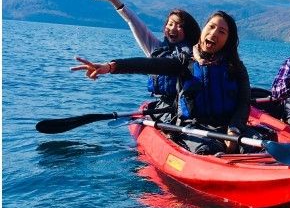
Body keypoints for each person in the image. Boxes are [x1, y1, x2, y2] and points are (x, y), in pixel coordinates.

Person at [71, 11, 253, 155]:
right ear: (203, 29)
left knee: (255, 145)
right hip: (195, 127)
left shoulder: (236, 67)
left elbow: (244, 102)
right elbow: (149, 64)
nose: (214, 33)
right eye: (211, 27)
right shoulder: (184, 61)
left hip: (227, 125)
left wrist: (234, 130)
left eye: (221, 31)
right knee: (208, 150)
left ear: (228, 40)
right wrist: (110, 67)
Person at [94, 0, 201, 114]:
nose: (173, 28)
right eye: (170, 23)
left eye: (179, 25)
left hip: (186, 107)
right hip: (164, 107)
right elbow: (133, 21)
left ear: (188, 30)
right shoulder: (156, 48)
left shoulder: (195, 54)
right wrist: (113, 0)